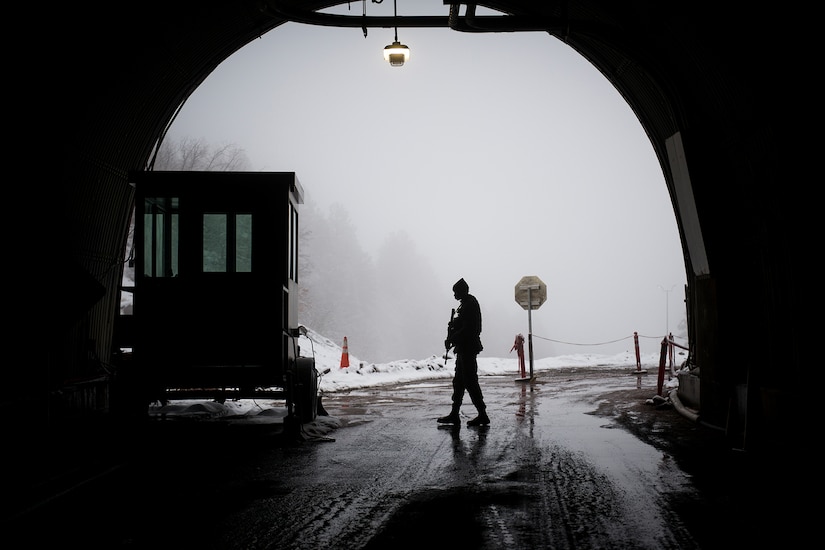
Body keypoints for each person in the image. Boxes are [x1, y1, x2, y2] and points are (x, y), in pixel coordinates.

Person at [438, 278, 490, 427]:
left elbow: (469, 329)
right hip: (462, 349)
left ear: (462, 291)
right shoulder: (464, 305)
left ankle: (482, 414)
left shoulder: (470, 305)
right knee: (459, 383)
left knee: (470, 382)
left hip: (468, 348)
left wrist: (453, 337)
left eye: (456, 292)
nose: (454, 295)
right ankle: (455, 414)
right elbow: (461, 326)